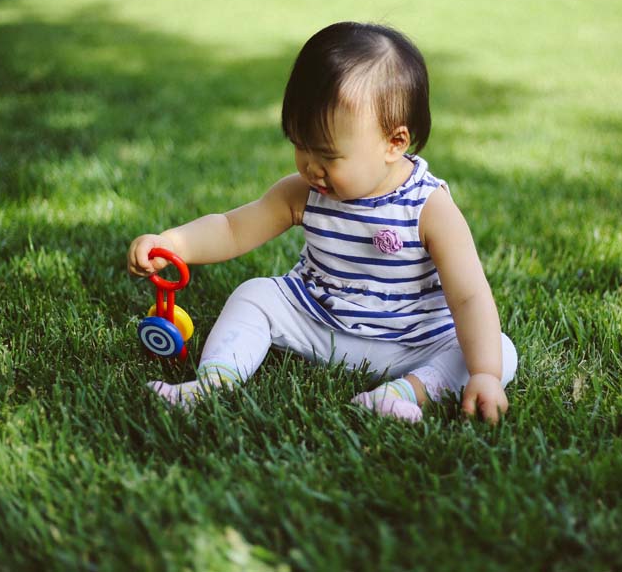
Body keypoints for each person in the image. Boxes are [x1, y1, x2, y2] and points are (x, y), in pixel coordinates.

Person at [127, 22, 517, 423]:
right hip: (319, 321)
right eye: (300, 145)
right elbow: (232, 228)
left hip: (410, 341)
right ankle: (214, 382)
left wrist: (485, 373)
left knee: (499, 352)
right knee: (256, 295)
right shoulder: (304, 192)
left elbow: (469, 297)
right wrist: (173, 243)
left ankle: (401, 394)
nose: (311, 167)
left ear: (394, 143)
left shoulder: (429, 208)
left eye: (328, 156)